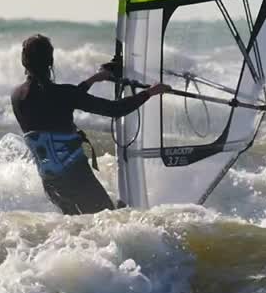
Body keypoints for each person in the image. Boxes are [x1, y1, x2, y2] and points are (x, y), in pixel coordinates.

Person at [11, 34, 170, 215]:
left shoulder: (17, 96)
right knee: (108, 220)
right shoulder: (64, 94)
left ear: (24, 62)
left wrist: (92, 80)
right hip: (77, 178)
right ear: (50, 61)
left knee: (78, 228)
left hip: (51, 182)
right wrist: (149, 92)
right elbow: (114, 109)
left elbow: (55, 101)